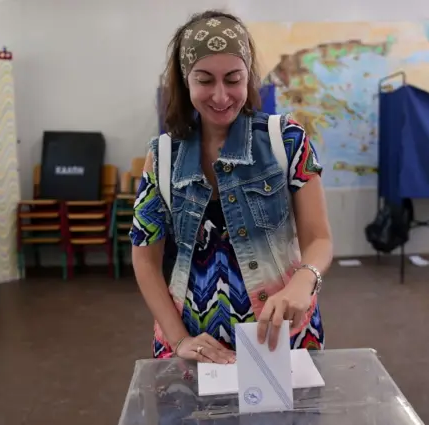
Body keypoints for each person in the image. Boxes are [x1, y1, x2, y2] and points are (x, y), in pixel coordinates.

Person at [129, 9, 333, 364]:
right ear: (185, 79)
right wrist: (178, 340)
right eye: (205, 80)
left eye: (233, 79)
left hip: (283, 340)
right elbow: (145, 260)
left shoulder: (286, 141)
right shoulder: (161, 156)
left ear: (248, 78)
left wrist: (305, 280)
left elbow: (319, 239)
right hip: (193, 346)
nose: (221, 96)